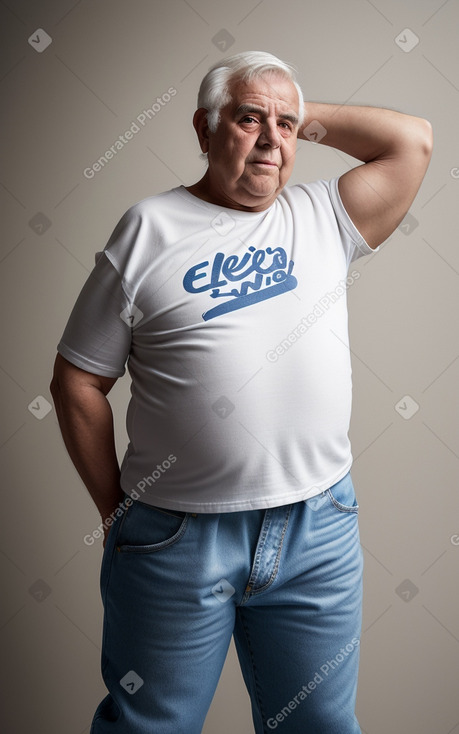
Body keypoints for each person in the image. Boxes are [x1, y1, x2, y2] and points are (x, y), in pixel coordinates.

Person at [50, 51, 432, 733]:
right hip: (173, 536)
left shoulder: (324, 215)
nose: (270, 139)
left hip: (318, 531)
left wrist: (287, 110)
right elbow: (79, 377)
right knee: (149, 727)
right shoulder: (148, 229)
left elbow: (413, 141)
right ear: (203, 130)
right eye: (247, 120)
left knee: (319, 726)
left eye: (284, 127)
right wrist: (117, 512)